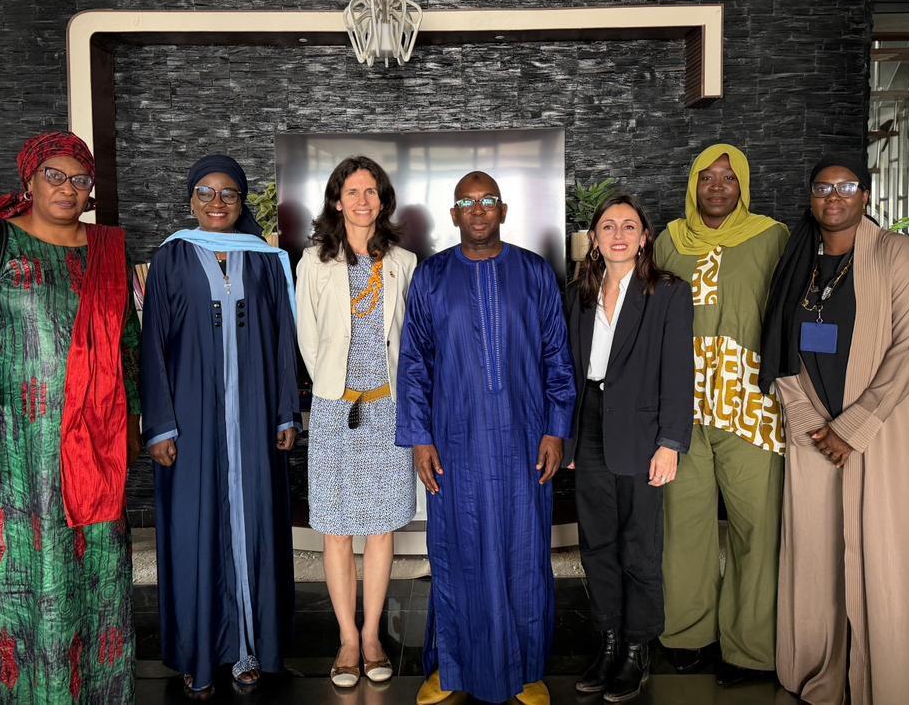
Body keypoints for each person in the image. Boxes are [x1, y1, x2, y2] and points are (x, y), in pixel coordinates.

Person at [0, 131, 140, 703]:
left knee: (92, 577)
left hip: (93, 445)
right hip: (13, 447)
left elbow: (128, 345)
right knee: (15, 581)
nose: (67, 188)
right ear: (29, 181)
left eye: (79, 179)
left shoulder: (106, 251)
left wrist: (135, 425)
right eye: (55, 175)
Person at [759, 156, 909, 705]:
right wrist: (806, 418)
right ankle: (820, 673)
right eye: (823, 187)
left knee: (887, 559)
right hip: (814, 429)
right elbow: (780, 347)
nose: (834, 196)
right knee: (817, 557)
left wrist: (854, 426)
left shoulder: (899, 254)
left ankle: (889, 684)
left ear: (865, 196)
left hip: (885, 431)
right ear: (811, 197)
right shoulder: (801, 261)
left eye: (846, 187)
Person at [396, 171, 575, 705]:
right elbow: (414, 365)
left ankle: (525, 670)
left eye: (488, 200)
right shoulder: (430, 278)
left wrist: (555, 429)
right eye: (467, 202)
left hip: (524, 444)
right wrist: (421, 439)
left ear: (503, 209)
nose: (478, 209)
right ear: (453, 214)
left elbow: (557, 360)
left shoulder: (535, 273)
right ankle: (451, 668)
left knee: (523, 555)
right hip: (454, 446)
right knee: (456, 554)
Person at [140, 154, 300, 700]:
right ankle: (199, 653)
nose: (216, 202)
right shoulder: (171, 259)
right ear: (190, 199)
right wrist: (160, 426)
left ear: (242, 201)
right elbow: (151, 345)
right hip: (191, 421)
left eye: (228, 193)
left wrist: (284, 412)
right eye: (206, 192)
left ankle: (250, 649)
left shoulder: (266, 261)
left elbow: (283, 344)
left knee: (253, 527)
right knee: (195, 531)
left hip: (254, 419)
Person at [654, 143, 789, 684]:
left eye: (727, 179)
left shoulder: (772, 236)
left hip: (751, 405)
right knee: (683, 527)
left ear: (743, 186)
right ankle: (688, 635)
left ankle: (751, 648)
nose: (716, 187)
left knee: (757, 528)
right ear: (692, 185)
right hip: (681, 408)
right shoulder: (668, 240)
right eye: (706, 178)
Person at [566, 194, 694, 702]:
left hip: (642, 435)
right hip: (591, 423)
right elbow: (570, 371)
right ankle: (610, 640)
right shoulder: (578, 292)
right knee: (597, 545)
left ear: (644, 237)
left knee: (639, 547)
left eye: (629, 226)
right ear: (594, 239)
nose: (618, 234)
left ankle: (639, 650)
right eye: (607, 226)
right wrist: (570, 434)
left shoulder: (667, 293)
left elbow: (678, 374)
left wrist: (670, 443)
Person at [296, 156, 417, 687]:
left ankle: (373, 636)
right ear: (337, 200)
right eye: (353, 191)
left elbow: (412, 339)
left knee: (382, 527)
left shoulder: (403, 262)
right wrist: (331, 384)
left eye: (372, 191)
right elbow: (307, 338)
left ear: (382, 200)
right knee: (338, 528)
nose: (363, 200)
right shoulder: (313, 262)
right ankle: (347, 639)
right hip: (333, 410)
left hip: (388, 409)